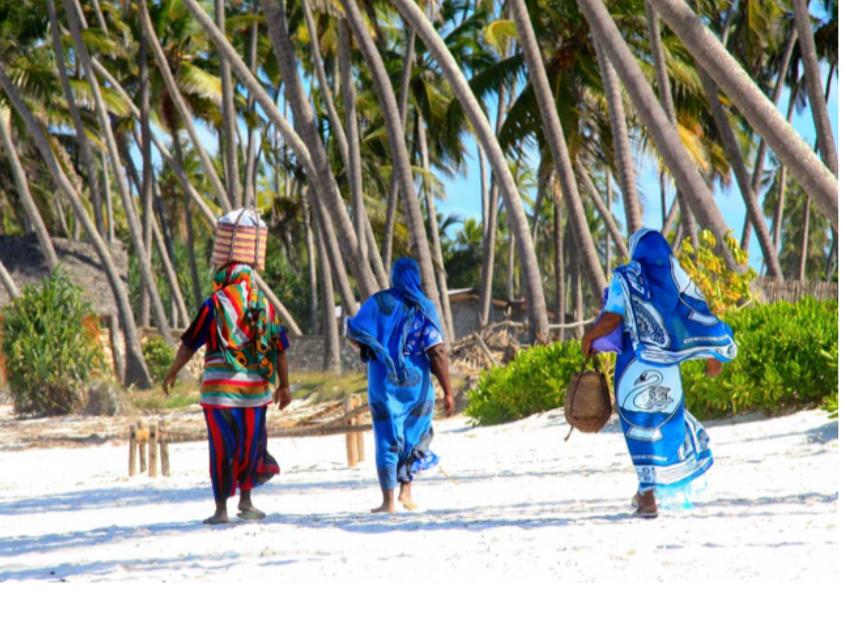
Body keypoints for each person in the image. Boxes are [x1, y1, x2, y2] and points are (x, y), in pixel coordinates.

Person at [581, 228, 737, 518]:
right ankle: (647, 492)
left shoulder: (625, 277)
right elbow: (695, 316)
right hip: (666, 367)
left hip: (633, 365)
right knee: (665, 422)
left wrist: (588, 338)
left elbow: (613, 317)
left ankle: (648, 496)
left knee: (639, 427)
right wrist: (712, 353)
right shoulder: (675, 280)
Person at [162, 257, 292, 525]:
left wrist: (173, 371)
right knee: (250, 445)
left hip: (219, 393)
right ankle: (245, 501)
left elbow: (189, 343)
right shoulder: (264, 307)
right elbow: (279, 348)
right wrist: (285, 385)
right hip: (255, 393)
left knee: (221, 448)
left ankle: (221, 511)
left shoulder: (214, 304)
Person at [346, 257, 455, 513]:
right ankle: (407, 490)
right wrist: (448, 390)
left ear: (393, 276)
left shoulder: (378, 302)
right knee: (416, 434)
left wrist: (371, 350)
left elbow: (354, 332)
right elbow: (437, 351)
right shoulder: (424, 307)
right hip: (417, 388)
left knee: (386, 437)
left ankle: (388, 501)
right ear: (416, 277)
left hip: (383, 384)